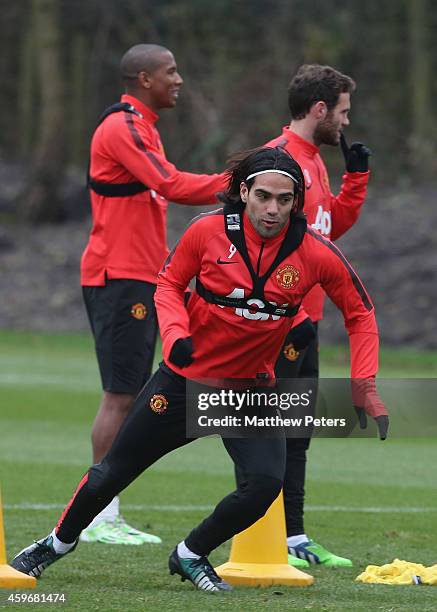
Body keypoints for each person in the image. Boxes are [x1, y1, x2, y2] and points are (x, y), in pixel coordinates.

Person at [12, 147, 388, 593]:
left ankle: (190, 553)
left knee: (266, 485)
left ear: (296, 201)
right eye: (263, 196)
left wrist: (364, 385)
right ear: (244, 192)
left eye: (284, 200)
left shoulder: (315, 252)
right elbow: (168, 284)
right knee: (112, 472)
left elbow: (361, 315)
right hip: (182, 383)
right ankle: (56, 543)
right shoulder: (206, 231)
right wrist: (175, 335)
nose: (273, 209)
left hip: (250, 393)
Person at [80, 43, 227, 545]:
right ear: (144, 79)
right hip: (118, 276)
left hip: (140, 276)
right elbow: (172, 183)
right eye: (171, 71)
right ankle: (98, 514)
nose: (179, 79)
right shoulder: (120, 128)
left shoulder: (143, 127)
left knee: (131, 390)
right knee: (121, 394)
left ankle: (104, 509)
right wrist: (240, 181)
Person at [267, 64, 372, 568]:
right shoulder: (283, 159)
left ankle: (292, 538)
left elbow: (328, 231)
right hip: (281, 324)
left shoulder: (314, 159)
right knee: (271, 431)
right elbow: (267, 246)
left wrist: (357, 178)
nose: (347, 123)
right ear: (319, 109)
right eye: (344, 112)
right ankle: (268, 537)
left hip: (306, 321)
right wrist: (286, 308)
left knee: (297, 433)